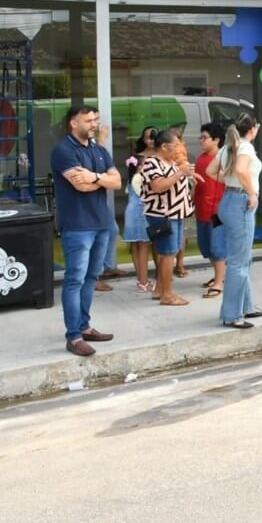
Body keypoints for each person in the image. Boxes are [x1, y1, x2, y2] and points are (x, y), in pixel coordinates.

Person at [50, 105, 120, 357]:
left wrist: (94, 177)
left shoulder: (99, 150)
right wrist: (101, 180)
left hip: (102, 223)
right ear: (73, 123)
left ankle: (84, 326)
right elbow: (80, 186)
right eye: (88, 120)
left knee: (91, 278)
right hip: (77, 225)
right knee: (75, 279)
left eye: (95, 120)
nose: (94, 124)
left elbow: (117, 182)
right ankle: (74, 336)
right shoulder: (63, 151)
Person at [212, 113, 262, 329]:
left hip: (228, 199)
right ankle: (232, 315)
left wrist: (229, 179)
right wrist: (251, 192)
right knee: (239, 261)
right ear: (252, 129)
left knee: (242, 257)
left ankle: (246, 305)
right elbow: (242, 170)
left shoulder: (228, 147)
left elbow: (210, 170)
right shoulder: (246, 147)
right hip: (241, 202)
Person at [138, 130, 195, 307]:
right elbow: (158, 186)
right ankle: (167, 295)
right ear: (164, 146)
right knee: (168, 253)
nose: (178, 148)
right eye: (175, 145)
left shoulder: (171, 161)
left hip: (176, 213)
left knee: (169, 252)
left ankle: (159, 290)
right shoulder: (151, 163)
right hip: (162, 214)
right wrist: (180, 173)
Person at [123, 125, 158, 293]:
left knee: (139, 244)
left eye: (154, 136)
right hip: (140, 205)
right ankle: (143, 281)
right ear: (143, 139)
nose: (151, 140)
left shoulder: (139, 158)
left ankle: (141, 280)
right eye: (148, 137)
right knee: (141, 244)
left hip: (137, 205)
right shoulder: (139, 159)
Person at [195, 123, 228, 299]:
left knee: (218, 247)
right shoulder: (200, 158)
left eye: (204, 137)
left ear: (216, 139)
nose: (201, 140)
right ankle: (218, 276)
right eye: (200, 137)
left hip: (217, 210)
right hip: (201, 208)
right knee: (205, 246)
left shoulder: (223, 158)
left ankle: (219, 282)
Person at [94, 123, 126, 291]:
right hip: (90, 201)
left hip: (99, 198)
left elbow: (113, 177)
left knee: (111, 230)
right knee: (98, 235)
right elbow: (98, 163)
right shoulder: (83, 147)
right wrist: (102, 138)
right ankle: (94, 276)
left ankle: (108, 266)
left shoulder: (92, 146)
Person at [167, 124, 192, 279]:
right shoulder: (161, 162)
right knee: (169, 242)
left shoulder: (183, 158)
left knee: (181, 234)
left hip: (181, 201)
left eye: (179, 143)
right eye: (174, 144)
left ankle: (179, 264)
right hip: (168, 205)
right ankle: (166, 273)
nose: (178, 148)